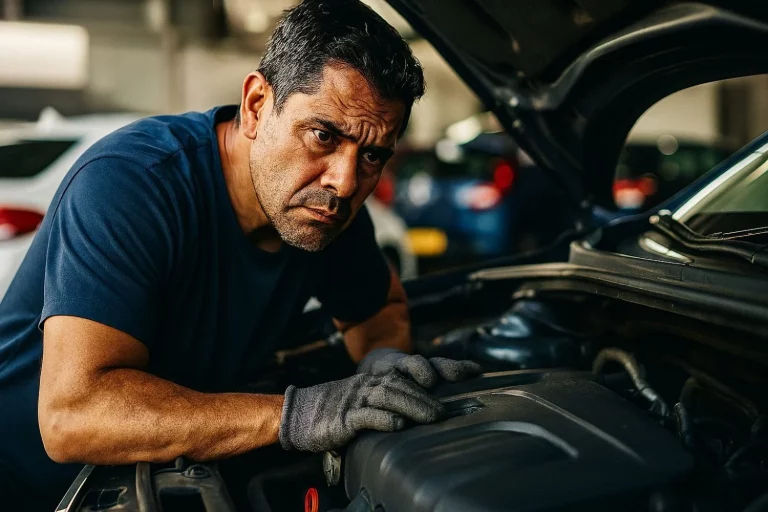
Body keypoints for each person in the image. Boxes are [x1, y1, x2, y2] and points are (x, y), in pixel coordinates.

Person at [0, 0, 482, 508]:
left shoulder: (324, 215)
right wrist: (300, 415)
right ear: (255, 105)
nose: (344, 182)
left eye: (372, 155)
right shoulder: (132, 184)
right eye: (323, 136)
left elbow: (379, 311)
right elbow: (73, 415)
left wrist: (383, 364)